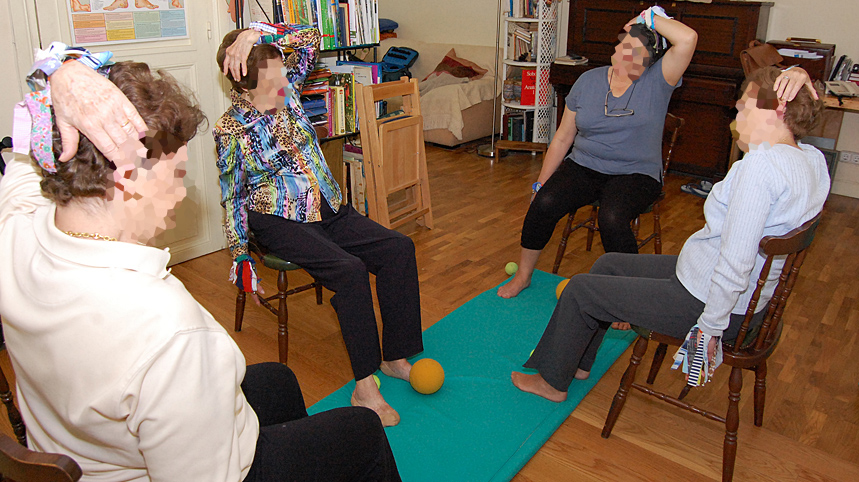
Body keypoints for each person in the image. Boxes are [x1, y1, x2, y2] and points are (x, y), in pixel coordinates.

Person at [0, 55, 401, 481]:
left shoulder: (15, 230)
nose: (181, 193)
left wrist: (64, 75)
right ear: (128, 177)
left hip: (85, 448)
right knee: (362, 430)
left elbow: (25, 144)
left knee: (278, 381)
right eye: (176, 174)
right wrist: (65, 72)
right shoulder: (169, 331)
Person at [511, 66, 826, 402]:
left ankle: (551, 383)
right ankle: (576, 363)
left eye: (744, 107)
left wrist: (709, 328)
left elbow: (737, 263)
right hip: (732, 294)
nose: (737, 114)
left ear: (774, 110)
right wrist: (797, 75)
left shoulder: (759, 168)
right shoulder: (812, 160)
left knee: (579, 290)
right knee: (609, 264)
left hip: (709, 303)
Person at [214, 22, 423, 427]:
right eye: (272, 76)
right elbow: (233, 197)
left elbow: (310, 38)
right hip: (278, 218)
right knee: (349, 271)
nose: (283, 80)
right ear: (244, 85)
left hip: (327, 206)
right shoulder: (231, 128)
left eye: (282, 71)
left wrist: (256, 34)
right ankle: (365, 385)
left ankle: (394, 356)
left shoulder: (287, 91)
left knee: (399, 249)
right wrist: (241, 256)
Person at [499, 7, 698, 299]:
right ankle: (524, 275)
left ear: (649, 60)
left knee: (612, 217)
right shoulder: (588, 81)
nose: (626, 55)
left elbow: (688, 39)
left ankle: (627, 295)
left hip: (636, 172)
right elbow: (563, 138)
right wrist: (539, 184)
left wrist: (648, 18)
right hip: (585, 165)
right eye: (624, 46)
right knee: (543, 203)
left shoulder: (659, 80)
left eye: (636, 52)